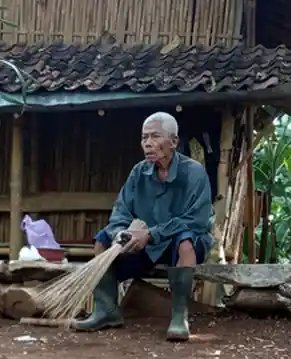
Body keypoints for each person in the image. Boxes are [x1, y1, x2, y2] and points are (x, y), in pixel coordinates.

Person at [73, 111, 215, 342]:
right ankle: (106, 310)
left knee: (186, 240)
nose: (148, 143)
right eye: (144, 137)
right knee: (102, 238)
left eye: (155, 136)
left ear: (174, 142)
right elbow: (120, 211)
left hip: (180, 244)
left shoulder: (194, 173)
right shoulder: (139, 172)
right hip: (145, 247)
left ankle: (179, 317)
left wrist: (152, 234)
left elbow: (197, 220)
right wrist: (122, 233)